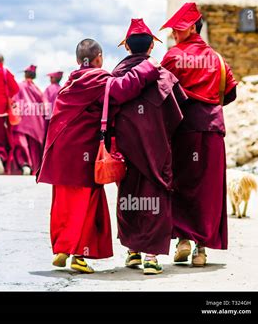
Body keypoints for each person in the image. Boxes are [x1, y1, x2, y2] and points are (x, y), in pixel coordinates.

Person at [36, 38, 161, 273]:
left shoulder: (70, 83)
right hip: (82, 152)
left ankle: (63, 247)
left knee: (64, 202)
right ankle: (78, 256)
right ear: (99, 58)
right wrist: (149, 66)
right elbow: (125, 88)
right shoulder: (98, 80)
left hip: (60, 153)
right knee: (87, 202)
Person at [160, 3, 238, 266]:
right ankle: (201, 249)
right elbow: (230, 93)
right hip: (213, 130)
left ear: (192, 27)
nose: (172, 34)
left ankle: (182, 239)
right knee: (208, 187)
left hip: (183, 129)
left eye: (176, 29)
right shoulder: (217, 59)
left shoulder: (173, 56)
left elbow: (161, 92)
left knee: (182, 183)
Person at [112, 19, 187, 275]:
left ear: (127, 48)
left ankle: (132, 251)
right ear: (152, 47)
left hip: (126, 150)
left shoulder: (116, 76)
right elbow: (178, 114)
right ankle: (151, 257)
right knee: (154, 197)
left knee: (129, 197)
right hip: (157, 149)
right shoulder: (164, 75)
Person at [12, 65, 46, 175]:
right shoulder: (38, 90)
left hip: (22, 119)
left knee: (21, 143)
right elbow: (44, 107)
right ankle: (34, 168)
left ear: (25, 74)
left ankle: (25, 164)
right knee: (34, 147)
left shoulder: (19, 86)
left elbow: (13, 102)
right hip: (36, 121)